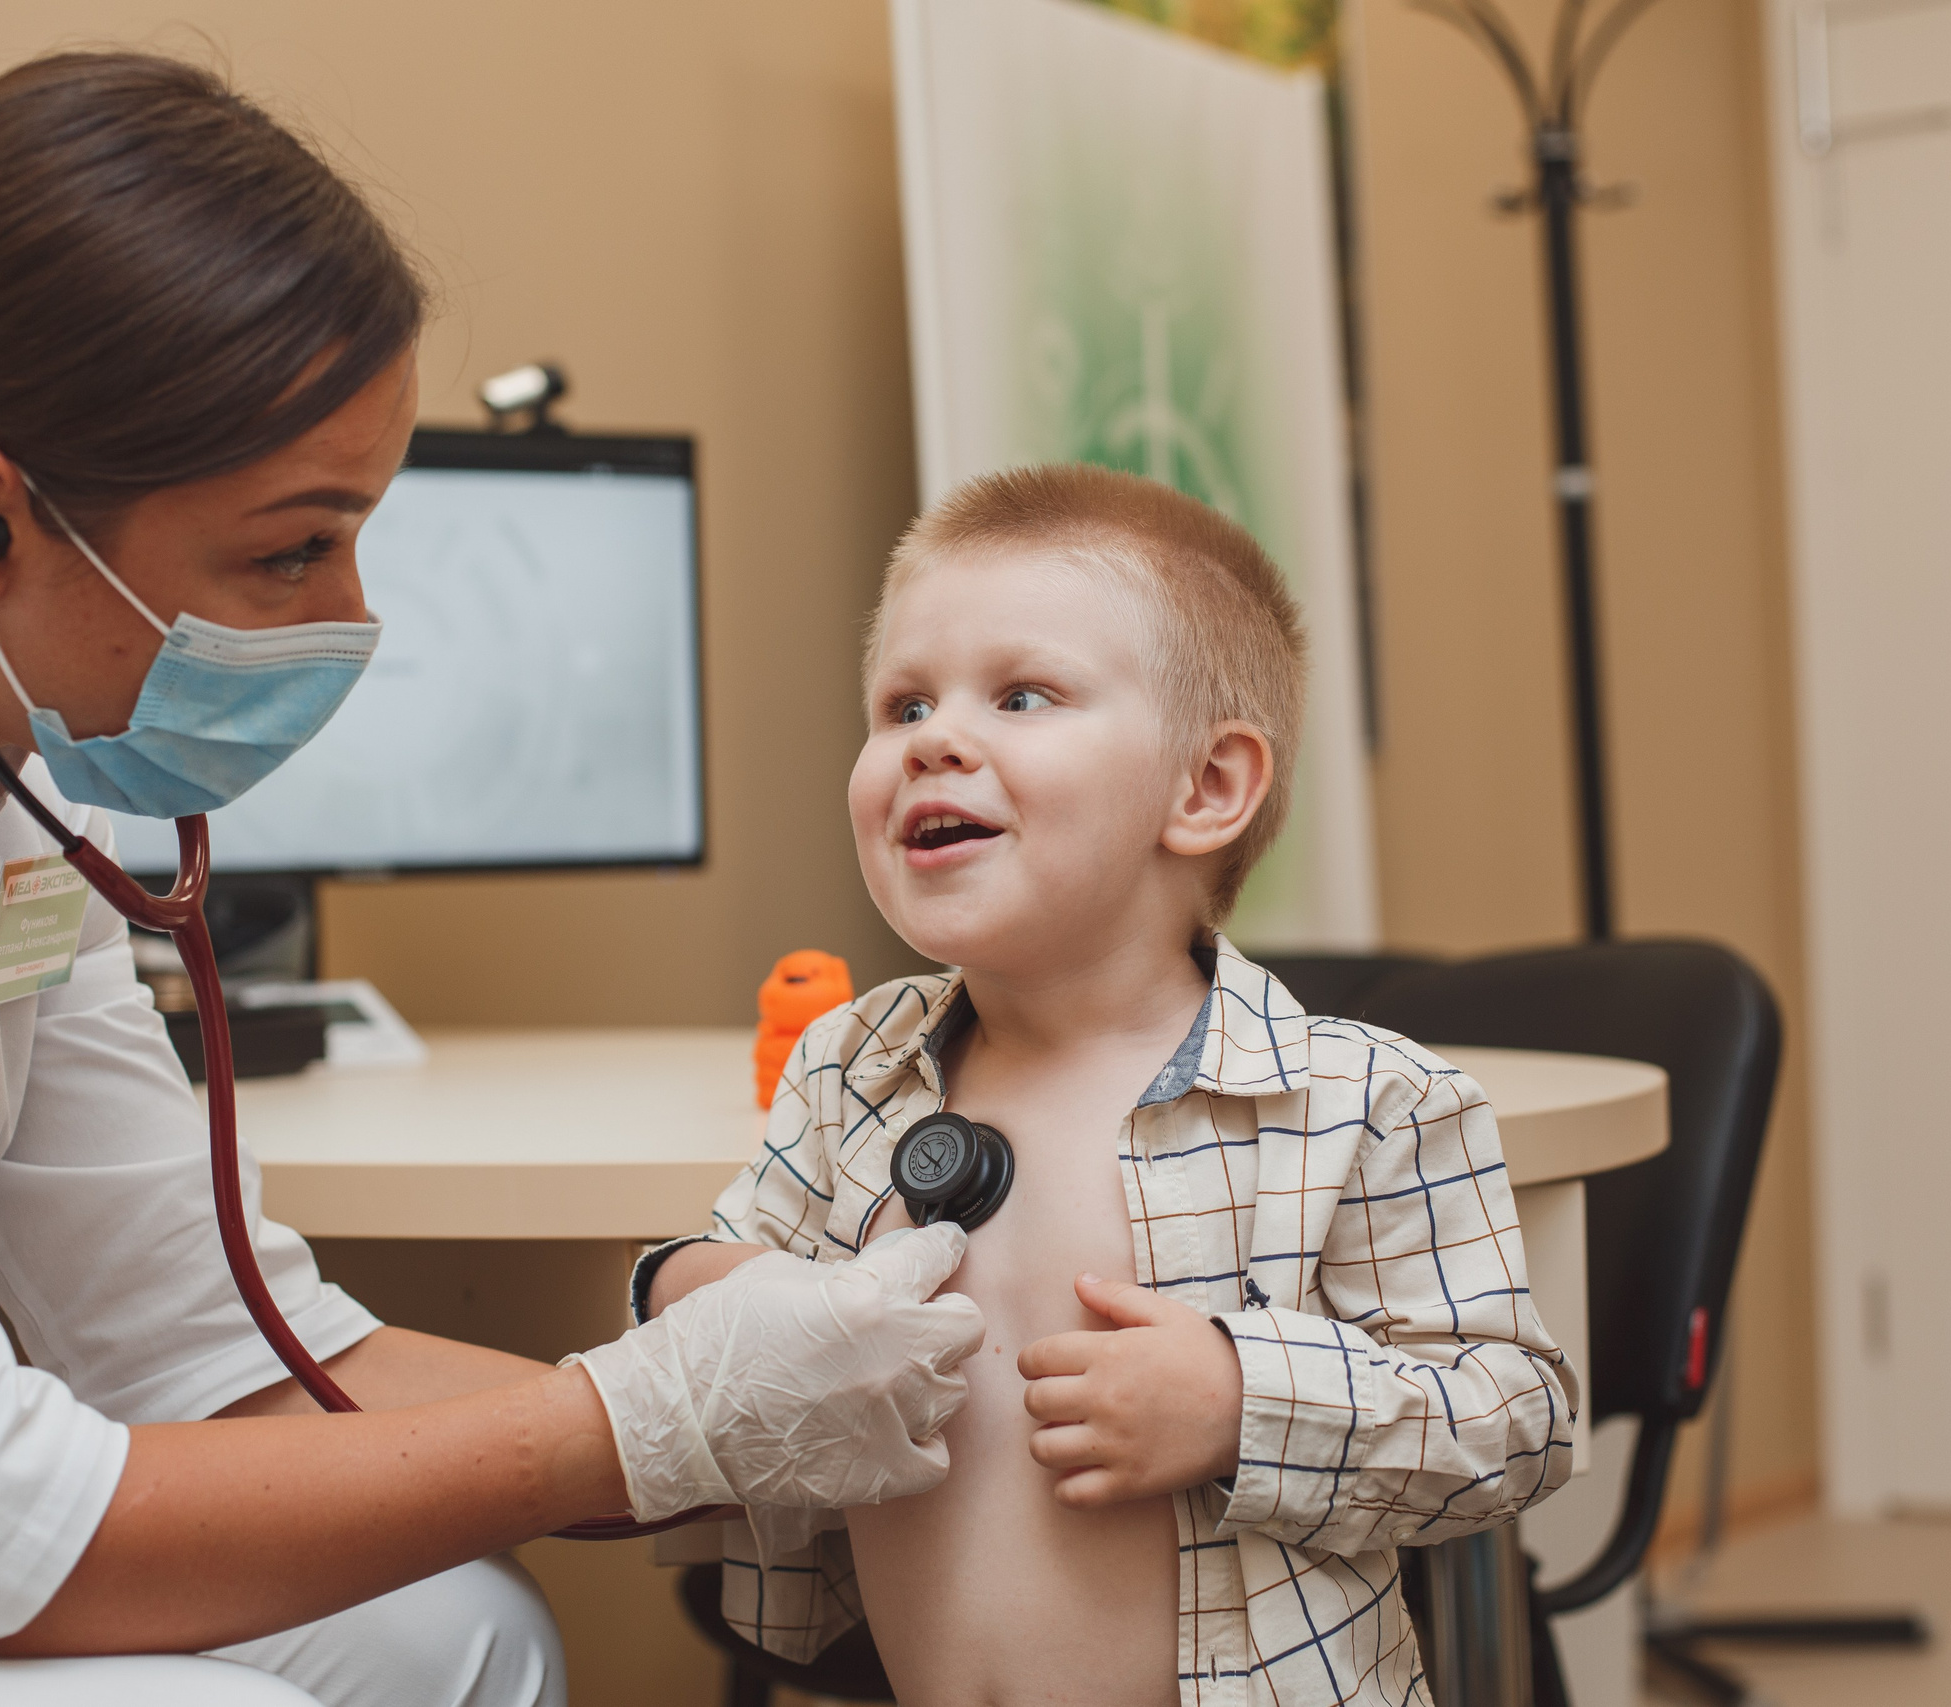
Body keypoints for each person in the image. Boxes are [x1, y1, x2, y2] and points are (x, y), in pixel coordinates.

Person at [0, 52, 982, 1707]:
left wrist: (741, 1407)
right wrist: (639, 1427)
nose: (355, 615)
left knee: (464, 1636)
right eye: (292, 547)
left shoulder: (7, 783)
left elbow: (205, 1354)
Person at [640, 465, 1577, 1705]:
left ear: (1204, 789)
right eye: (901, 703)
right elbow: (722, 1270)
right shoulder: (851, 1075)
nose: (934, 740)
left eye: (1020, 695)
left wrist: (1242, 1401)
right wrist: (701, 1287)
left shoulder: (1364, 1104)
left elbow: (1515, 1422)